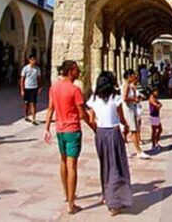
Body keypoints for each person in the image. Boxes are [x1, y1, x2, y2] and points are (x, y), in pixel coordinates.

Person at [45, 60, 94, 215]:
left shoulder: (54, 87)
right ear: (71, 70)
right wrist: (93, 124)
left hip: (60, 130)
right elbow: (82, 114)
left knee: (63, 160)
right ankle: (71, 204)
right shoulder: (75, 90)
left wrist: (46, 128)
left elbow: (50, 108)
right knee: (72, 165)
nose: (79, 72)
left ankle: (67, 194)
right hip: (72, 130)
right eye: (77, 69)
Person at [86, 71, 133, 215]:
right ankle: (114, 202)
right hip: (113, 132)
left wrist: (97, 128)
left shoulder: (94, 99)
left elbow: (91, 118)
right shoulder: (115, 98)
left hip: (100, 133)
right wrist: (127, 127)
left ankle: (106, 194)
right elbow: (121, 116)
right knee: (116, 165)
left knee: (105, 164)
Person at [122, 69, 150, 159]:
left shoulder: (130, 86)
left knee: (130, 130)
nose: (135, 76)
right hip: (128, 109)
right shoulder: (126, 85)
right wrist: (134, 100)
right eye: (133, 75)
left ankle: (124, 150)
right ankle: (138, 151)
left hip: (132, 108)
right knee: (133, 130)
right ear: (129, 76)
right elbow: (124, 98)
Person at [20, 56, 42, 125]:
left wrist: (40, 87)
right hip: (27, 87)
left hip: (34, 87)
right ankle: (26, 115)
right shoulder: (25, 68)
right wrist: (22, 89)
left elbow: (39, 78)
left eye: (34, 59)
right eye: (32, 59)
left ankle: (33, 118)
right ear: (29, 60)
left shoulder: (37, 69)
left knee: (33, 103)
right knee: (26, 103)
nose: (33, 61)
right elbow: (22, 79)